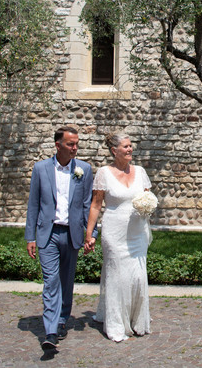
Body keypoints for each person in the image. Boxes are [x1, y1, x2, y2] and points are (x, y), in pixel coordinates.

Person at [25, 125, 94, 351]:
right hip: (49, 234)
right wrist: (30, 237)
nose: (75, 148)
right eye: (70, 144)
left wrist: (89, 234)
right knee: (51, 281)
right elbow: (33, 204)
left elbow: (86, 206)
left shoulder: (83, 169)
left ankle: (62, 319)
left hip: (72, 233)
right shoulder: (41, 169)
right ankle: (51, 331)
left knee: (66, 281)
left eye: (76, 144)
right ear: (58, 145)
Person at [84, 131, 152, 342]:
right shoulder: (104, 173)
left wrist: (148, 205)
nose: (130, 149)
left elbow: (148, 196)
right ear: (114, 151)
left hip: (137, 232)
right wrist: (89, 234)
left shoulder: (140, 171)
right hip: (114, 232)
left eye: (131, 146)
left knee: (138, 276)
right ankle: (115, 324)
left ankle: (136, 321)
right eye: (125, 146)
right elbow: (96, 205)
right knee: (118, 277)